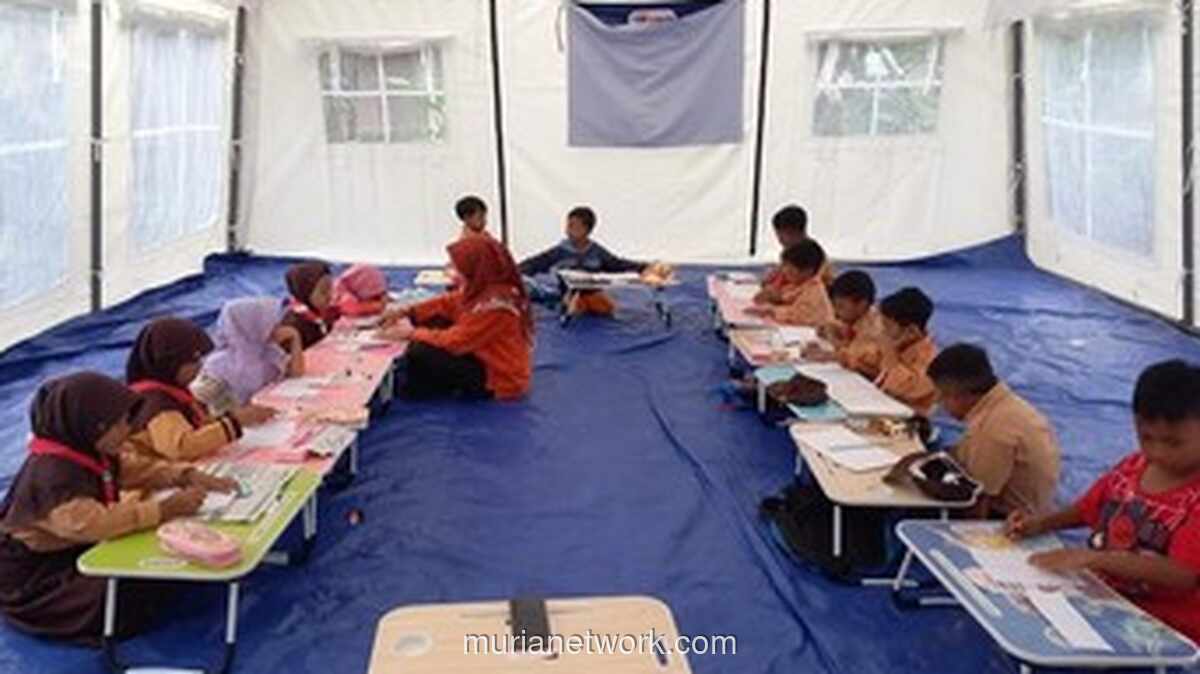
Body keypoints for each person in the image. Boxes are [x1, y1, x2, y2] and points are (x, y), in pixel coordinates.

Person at [0, 373, 235, 644]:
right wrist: (163, 510)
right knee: (123, 592)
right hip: (36, 578)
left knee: (153, 566)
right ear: (93, 426)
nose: (128, 430)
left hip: (70, 549)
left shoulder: (88, 452)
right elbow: (93, 524)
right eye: (120, 424)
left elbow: (136, 469)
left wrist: (185, 475)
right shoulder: (53, 478)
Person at [1005, 360, 1200, 643]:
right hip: (1104, 597)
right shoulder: (1133, 467)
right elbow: (1088, 509)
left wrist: (1093, 558)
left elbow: (1181, 575)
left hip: (1163, 625)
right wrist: (1040, 523)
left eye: (1173, 443)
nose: (1157, 452)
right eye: (1146, 437)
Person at [382, 237, 533, 400]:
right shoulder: (486, 286)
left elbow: (456, 342)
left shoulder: (498, 306)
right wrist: (409, 311)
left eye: (458, 266)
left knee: (421, 351)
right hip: (486, 356)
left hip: (501, 378)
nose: (454, 271)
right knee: (431, 321)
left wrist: (411, 333)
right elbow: (450, 303)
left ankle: (417, 391)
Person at [928, 344, 1061, 518]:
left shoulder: (991, 430)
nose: (939, 404)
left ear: (959, 395)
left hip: (1010, 519)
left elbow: (978, 501)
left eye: (942, 397)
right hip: (1033, 507)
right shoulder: (1006, 404)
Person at [124, 317, 274, 462]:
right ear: (169, 364)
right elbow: (181, 447)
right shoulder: (156, 404)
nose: (199, 367)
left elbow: (197, 424)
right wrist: (234, 423)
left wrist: (234, 417)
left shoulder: (172, 390)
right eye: (192, 361)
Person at [518, 206, 665, 316]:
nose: (568, 230)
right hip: (568, 294)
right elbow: (535, 263)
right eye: (567, 225)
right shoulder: (560, 251)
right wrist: (513, 271)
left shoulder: (597, 251)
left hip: (592, 293)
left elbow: (617, 264)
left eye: (573, 226)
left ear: (586, 229)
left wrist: (646, 267)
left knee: (607, 309)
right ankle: (564, 304)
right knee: (575, 309)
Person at [192, 298, 304, 415]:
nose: (276, 326)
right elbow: (217, 411)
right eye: (267, 323)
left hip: (272, 412)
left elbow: (296, 373)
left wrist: (295, 337)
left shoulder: (266, 349)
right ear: (250, 326)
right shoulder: (218, 365)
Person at [802, 270, 883, 377]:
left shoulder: (873, 329)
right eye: (835, 306)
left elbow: (864, 365)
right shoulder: (858, 317)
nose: (836, 311)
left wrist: (831, 352)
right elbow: (836, 329)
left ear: (861, 304)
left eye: (841, 306)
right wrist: (829, 330)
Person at [875, 287, 938, 416]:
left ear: (911, 331)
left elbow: (904, 389)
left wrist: (890, 354)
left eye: (887, 327)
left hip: (909, 419)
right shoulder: (899, 345)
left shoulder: (929, 360)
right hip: (883, 405)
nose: (883, 332)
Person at [746, 239, 834, 327]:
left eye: (791, 270)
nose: (785, 272)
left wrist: (772, 310)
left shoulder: (814, 291)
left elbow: (800, 316)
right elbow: (785, 298)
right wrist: (772, 297)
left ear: (807, 271)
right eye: (784, 266)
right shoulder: (798, 283)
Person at [760, 205, 834, 297]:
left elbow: (809, 286)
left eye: (781, 235)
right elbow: (781, 277)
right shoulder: (789, 252)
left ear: (794, 232)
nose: (779, 240)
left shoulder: (812, 256)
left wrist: (780, 294)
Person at [281, 261, 338, 349]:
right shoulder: (294, 326)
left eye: (331, 288)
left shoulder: (319, 314)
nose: (330, 295)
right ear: (305, 292)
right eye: (323, 291)